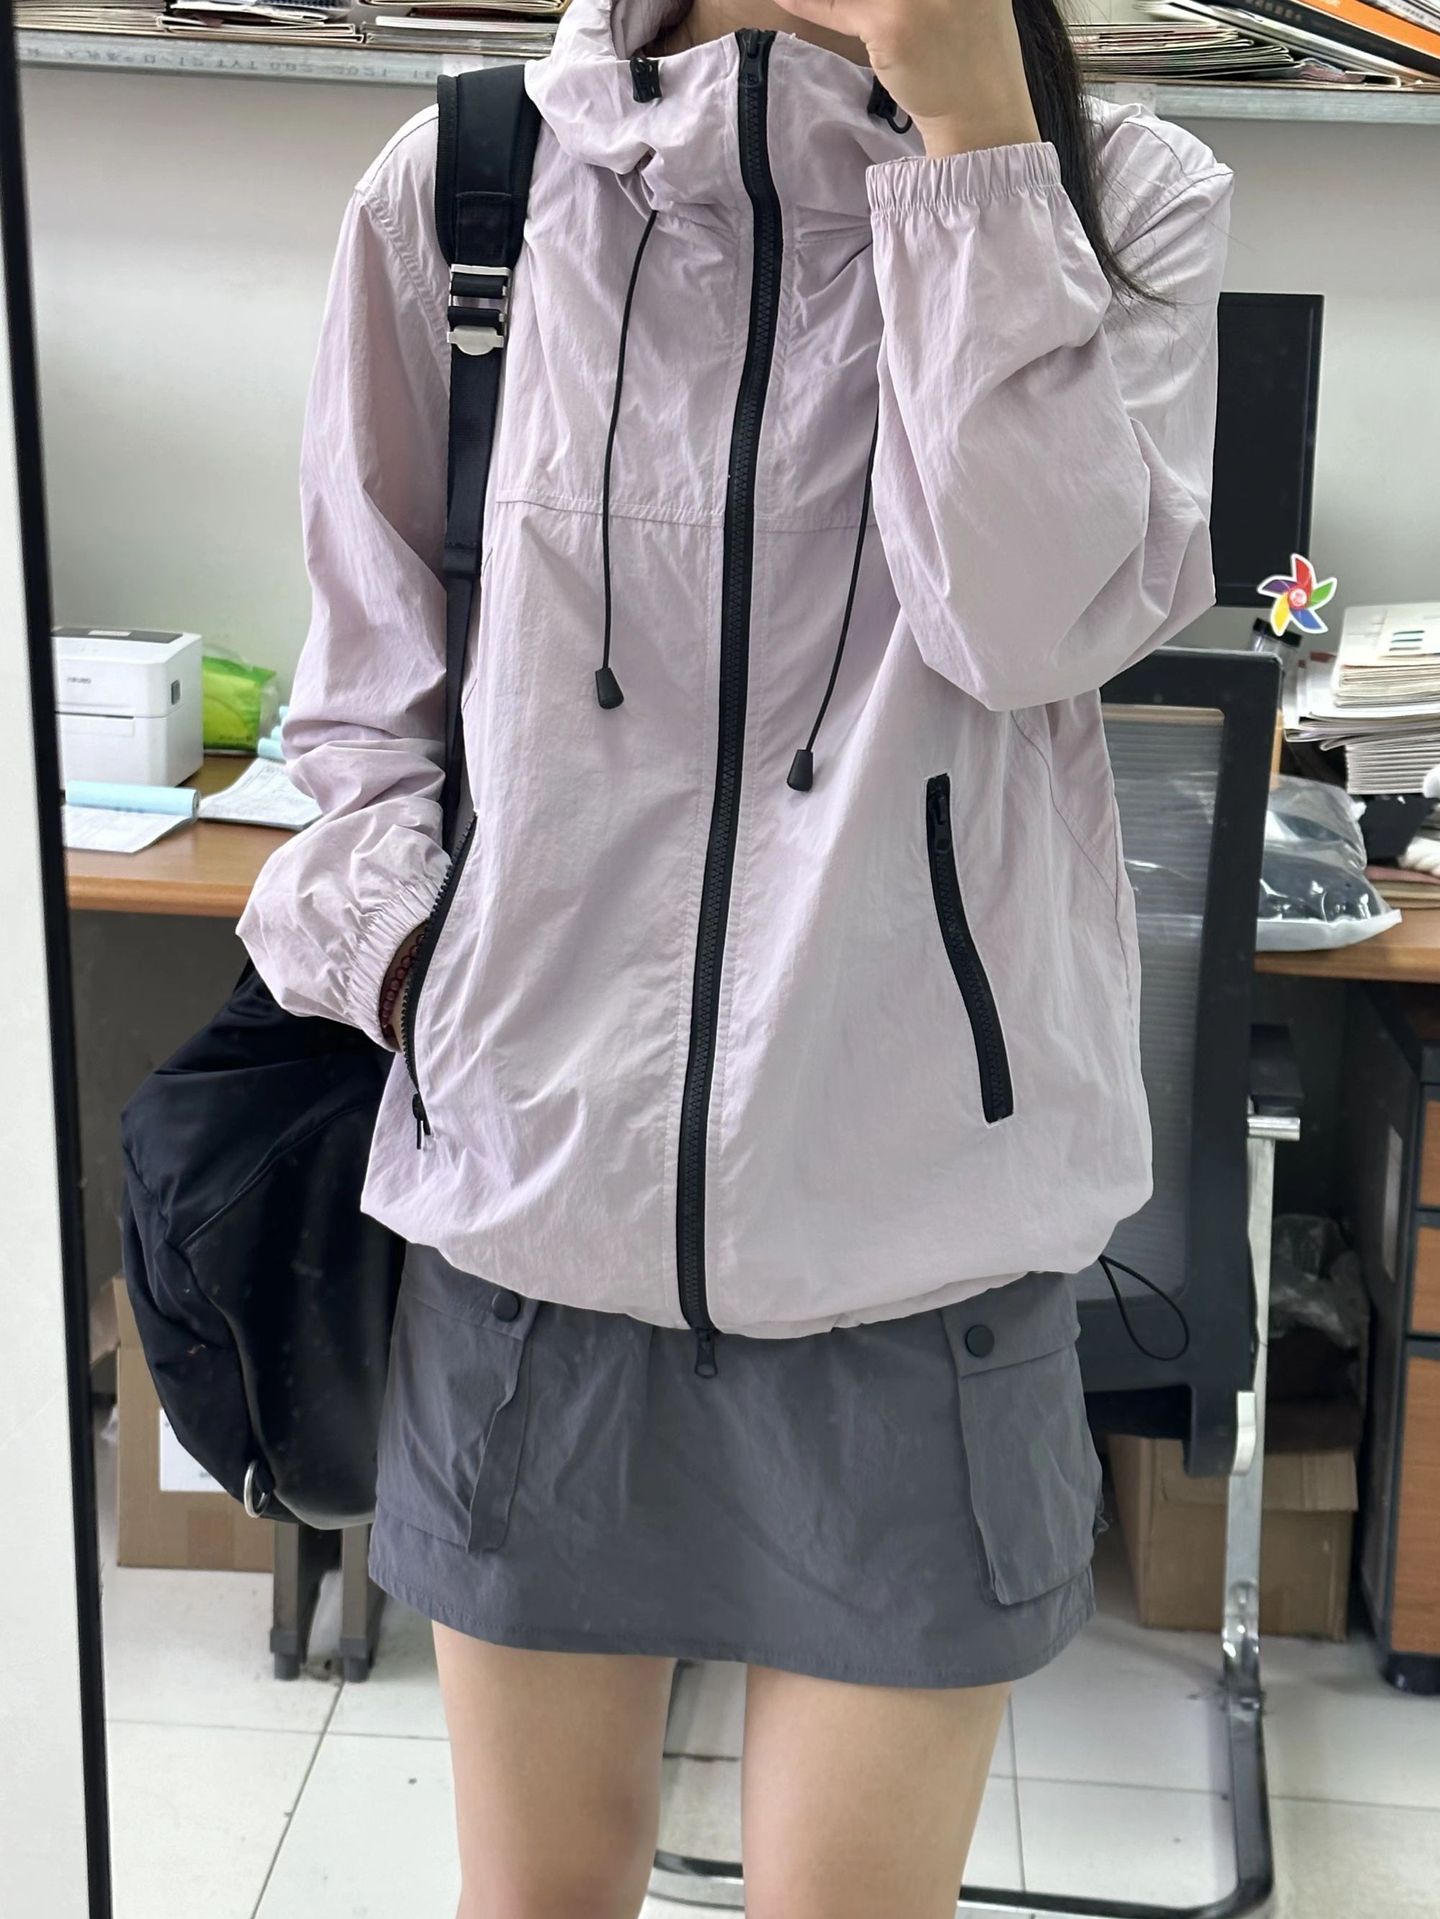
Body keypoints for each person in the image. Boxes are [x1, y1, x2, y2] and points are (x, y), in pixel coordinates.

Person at [238, 0, 1232, 1912]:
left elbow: (1033, 626)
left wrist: (977, 148)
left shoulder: (1123, 198)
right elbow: (363, 694)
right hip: (533, 1237)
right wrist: (421, 969)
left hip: (918, 1261)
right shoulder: (464, 191)